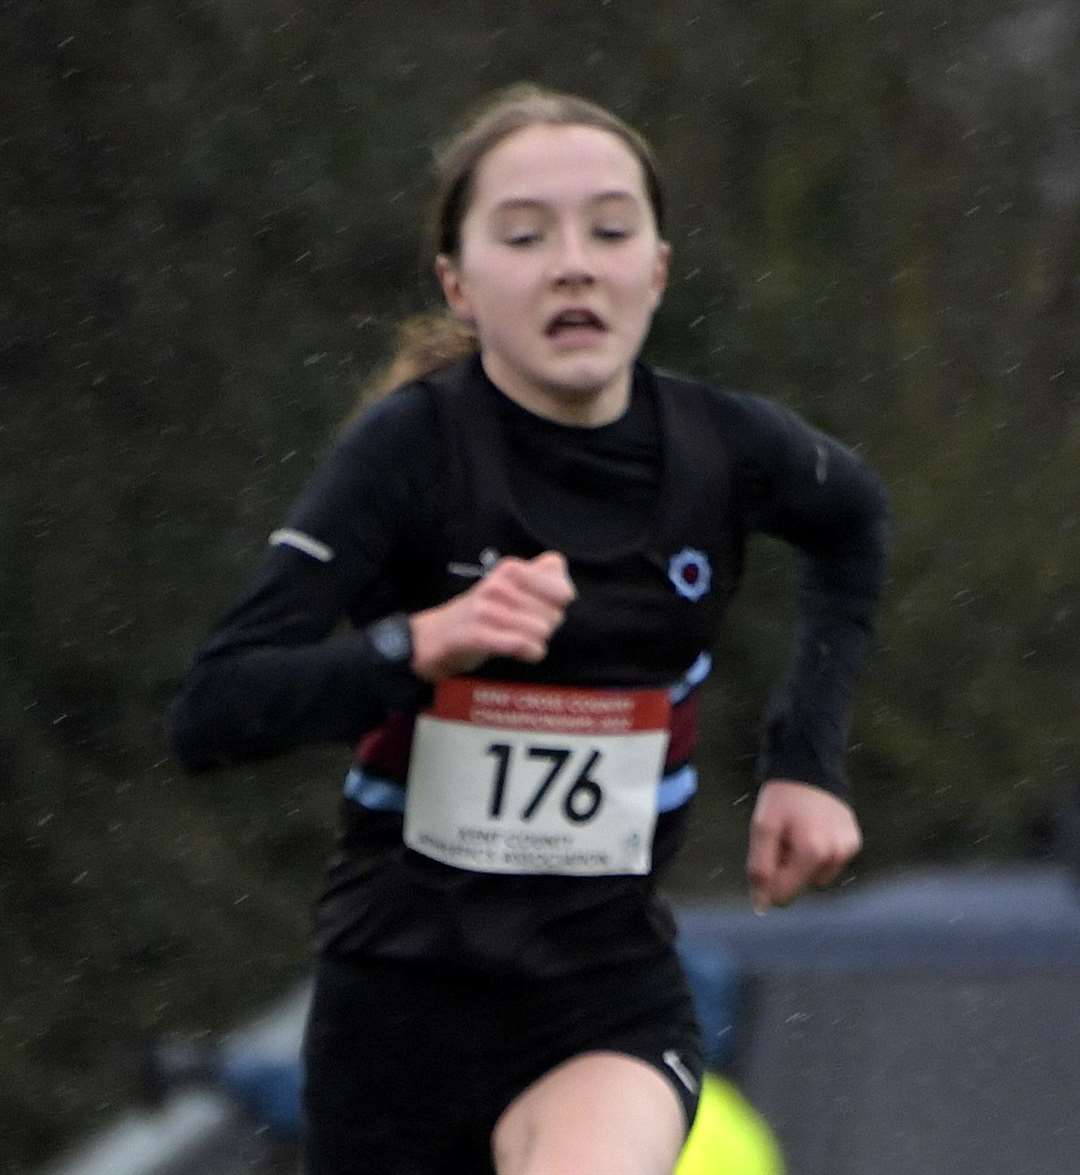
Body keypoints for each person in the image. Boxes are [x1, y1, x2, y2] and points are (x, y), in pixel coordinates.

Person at [168, 83, 889, 1175]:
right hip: (395, 1009)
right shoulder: (408, 456)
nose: (573, 262)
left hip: (604, 995)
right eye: (524, 234)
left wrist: (806, 762)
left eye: (610, 229)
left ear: (656, 266)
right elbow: (215, 710)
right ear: (459, 284)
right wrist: (418, 646)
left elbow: (855, 521)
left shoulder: (727, 449)